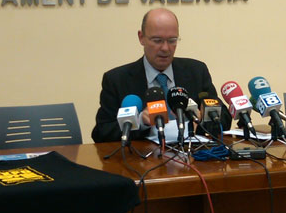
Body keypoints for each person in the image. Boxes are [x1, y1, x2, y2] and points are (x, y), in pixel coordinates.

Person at [91, 8, 232, 143]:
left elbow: (224, 119)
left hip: (191, 155)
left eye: (172, 40)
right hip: (142, 157)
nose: (165, 48)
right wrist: (140, 121)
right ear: (141, 38)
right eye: (157, 40)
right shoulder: (117, 80)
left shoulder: (196, 71)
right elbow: (101, 133)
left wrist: (202, 118)